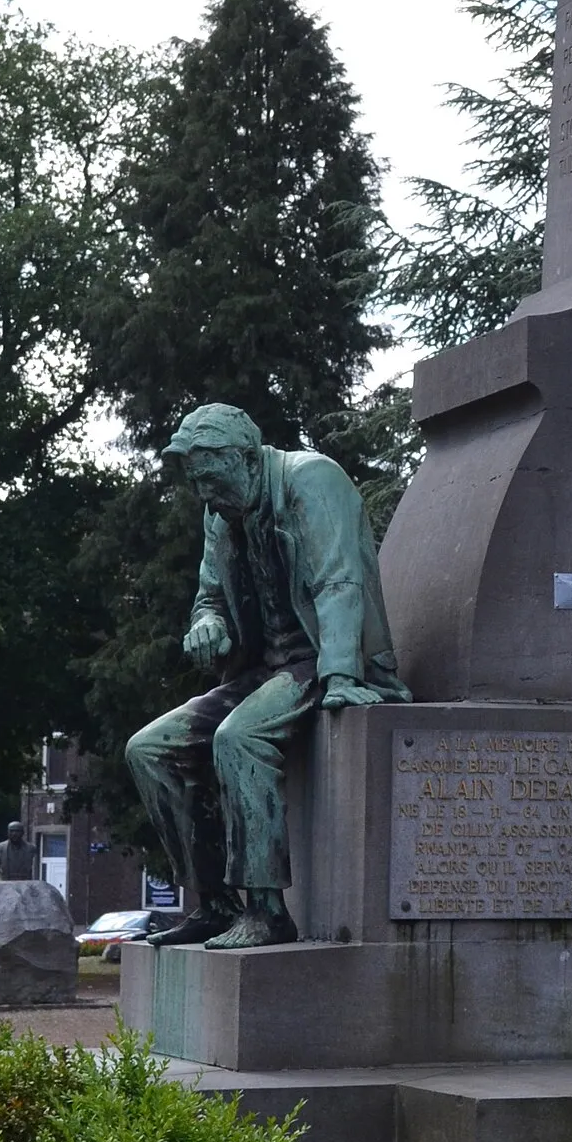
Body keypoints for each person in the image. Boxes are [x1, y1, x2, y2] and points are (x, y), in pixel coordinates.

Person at [125, 402, 408, 949]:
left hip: (324, 660)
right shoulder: (220, 515)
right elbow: (209, 597)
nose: (203, 492)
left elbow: (339, 582)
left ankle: (267, 909)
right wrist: (208, 624)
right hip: (262, 669)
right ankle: (215, 904)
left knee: (238, 738)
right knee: (148, 749)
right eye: (195, 480)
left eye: (209, 475)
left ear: (245, 458)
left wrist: (343, 673)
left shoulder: (312, 479)